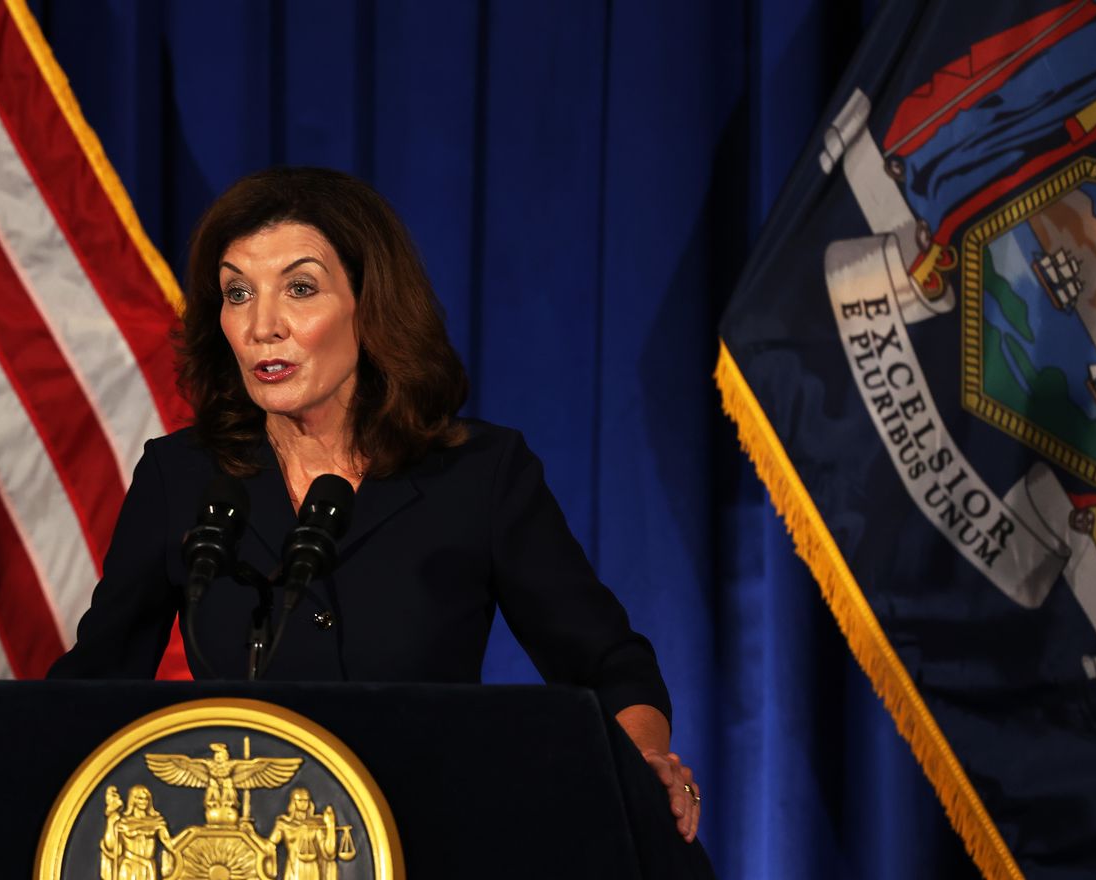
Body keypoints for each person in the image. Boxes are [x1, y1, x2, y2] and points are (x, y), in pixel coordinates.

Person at [50, 167, 702, 842]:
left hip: (433, 854)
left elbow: (608, 667)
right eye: (236, 293)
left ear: (370, 302)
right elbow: (90, 687)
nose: (261, 326)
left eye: (299, 289)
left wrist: (643, 762)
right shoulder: (182, 478)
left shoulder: (478, 475)